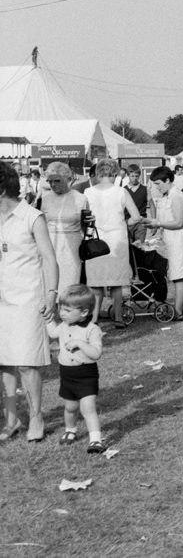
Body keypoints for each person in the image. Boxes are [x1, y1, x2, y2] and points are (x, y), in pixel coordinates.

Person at [0, 161, 59, 443]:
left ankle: (37, 417)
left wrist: (51, 294)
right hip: (1, 299)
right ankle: (11, 419)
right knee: (3, 362)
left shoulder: (32, 217)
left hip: (27, 300)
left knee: (26, 363)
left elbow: (49, 258)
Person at [45, 284, 107, 452]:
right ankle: (70, 430)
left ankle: (95, 440)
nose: (62, 313)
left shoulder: (92, 329)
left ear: (84, 312)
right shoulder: (64, 326)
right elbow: (52, 333)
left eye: (66, 310)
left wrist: (80, 344)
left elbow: (96, 353)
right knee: (70, 408)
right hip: (67, 374)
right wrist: (48, 318)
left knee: (88, 408)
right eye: (60, 309)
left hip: (86, 374)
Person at [84, 158, 142, 328]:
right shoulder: (121, 192)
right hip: (117, 238)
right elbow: (136, 216)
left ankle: (94, 319)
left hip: (95, 237)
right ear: (115, 173)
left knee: (96, 281)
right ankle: (118, 317)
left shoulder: (87, 192)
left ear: (98, 173)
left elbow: (84, 218)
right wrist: (124, 223)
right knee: (116, 282)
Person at [144, 166, 183, 321]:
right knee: (180, 276)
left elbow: (178, 222)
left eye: (159, 183)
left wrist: (158, 223)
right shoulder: (169, 195)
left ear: (168, 180)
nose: (157, 187)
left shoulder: (176, 196)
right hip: (174, 240)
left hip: (179, 241)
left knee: (178, 276)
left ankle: (179, 311)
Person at [38, 161, 88, 294]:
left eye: (57, 181)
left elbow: (86, 228)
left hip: (71, 246)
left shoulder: (81, 199)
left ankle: (67, 311)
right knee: (49, 283)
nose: (53, 185)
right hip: (49, 244)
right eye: (50, 181)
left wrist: (89, 222)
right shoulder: (46, 198)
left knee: (69, 284)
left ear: (68, 179)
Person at [123, 165, 149, 245]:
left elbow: (152, 205)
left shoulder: (145, 189)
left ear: (139, 176)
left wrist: (153, 223)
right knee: (128, 246)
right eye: (132, 176)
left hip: (141, 222)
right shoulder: (123, 190)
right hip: (128, 222)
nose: (134, 178)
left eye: (136, 176)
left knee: (139, 246)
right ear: (128, 176)